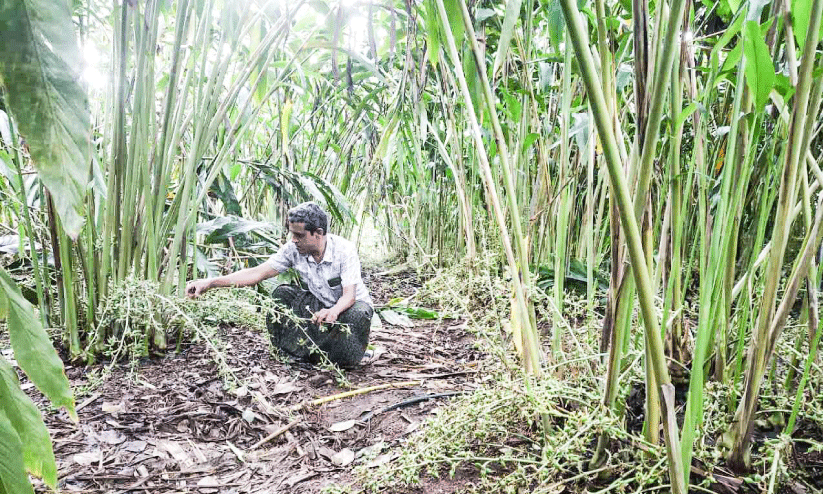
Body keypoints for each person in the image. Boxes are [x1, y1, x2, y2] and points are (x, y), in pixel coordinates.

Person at [186, 202, 373, 367]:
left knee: (357, 316)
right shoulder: (293, 249)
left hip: (348, 308)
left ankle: (342, 356)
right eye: (292, 234)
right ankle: (295, 351)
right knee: (282, 295)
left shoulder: (344, 250)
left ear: (318, 233)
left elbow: (349, 296)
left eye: (299, 235)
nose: (294, 240)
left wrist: (333, 312)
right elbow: (257, 273)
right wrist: (210, 283)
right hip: (319, 305)